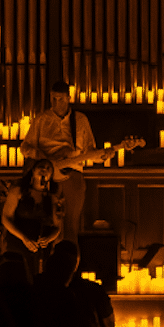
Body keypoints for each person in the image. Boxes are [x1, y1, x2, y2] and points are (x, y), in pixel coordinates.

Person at [21, 81, 99, 244]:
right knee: (46, 224)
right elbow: (25, 147)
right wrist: (41, 155)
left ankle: (68, 262)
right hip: (47, 176)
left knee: (70, 225)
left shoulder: (80, 120)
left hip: (73, 174)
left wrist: (103, 155)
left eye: (61, 99)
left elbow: (91, 150)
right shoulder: (41, 119)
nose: (57, 103)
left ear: (69, 98)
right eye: (54, 99)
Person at [1, 160, 64, 275]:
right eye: (41, 166)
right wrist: (24, 238)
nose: (44, 169)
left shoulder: (53, 197)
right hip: (17, 242)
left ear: (51, 175)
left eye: (48, 168)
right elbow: (6, 217)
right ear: (33, 171)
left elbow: (57, 227)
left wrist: (48, 239)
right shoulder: (18, 191)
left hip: (41, 249)